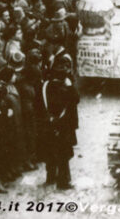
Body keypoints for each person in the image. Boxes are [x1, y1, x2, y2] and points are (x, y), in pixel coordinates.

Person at [42, 55, 79, 190]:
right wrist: (70, 86)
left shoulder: (45, 85)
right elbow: (75, 99)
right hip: (63, 126)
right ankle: (63, 182)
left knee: (50, 151)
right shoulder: (64, 88)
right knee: (63, 153)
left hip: (48, 124)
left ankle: (50, 177)